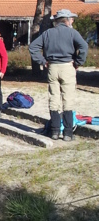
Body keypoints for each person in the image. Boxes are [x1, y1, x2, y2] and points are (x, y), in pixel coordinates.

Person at [29, 8, 88, 141]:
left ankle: (55, 131)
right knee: (68, 100)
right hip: (68, 66)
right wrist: (78, 62)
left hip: (52, 67)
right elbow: (84, 47)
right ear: (67, 20)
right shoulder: (73, 33)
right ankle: (68, 133)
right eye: (71, 19)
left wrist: (43, 61)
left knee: (53, 99)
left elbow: (33, 47)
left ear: (56, 21)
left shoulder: (48, 33)